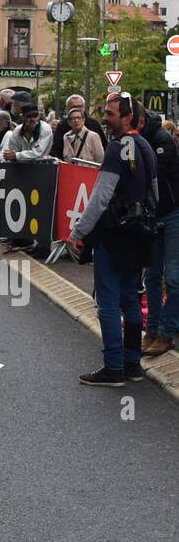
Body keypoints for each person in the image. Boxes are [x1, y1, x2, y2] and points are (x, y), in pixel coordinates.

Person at [70, 93, 158, 386]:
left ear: (127, 117)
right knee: (131, 299)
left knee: (107, 302)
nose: (105, 118)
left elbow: (101, 196)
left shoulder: (117, 148)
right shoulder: (144, 146)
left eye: (110, 114)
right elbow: (155, 192)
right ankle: (133, 364)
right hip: (139, 233)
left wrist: (79, 232)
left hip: (114, 233)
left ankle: (113, 367)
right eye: (105, 113)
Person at [140, 107, 179, 357]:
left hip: (172, 212)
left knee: (173, 278)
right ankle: (152, 330)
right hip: (154, 214)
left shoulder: (160, 140)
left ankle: (166, 332)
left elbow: (152, 177)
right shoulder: (140, 137)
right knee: (152, 275)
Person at [51, 93, 105, 158]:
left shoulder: (94, 124)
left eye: (79, 106)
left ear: (84, 108)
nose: (77, 109)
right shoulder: (62, 127)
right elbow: (56, 150)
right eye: (73, 107)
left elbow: (103, 150)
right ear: (68, 109)